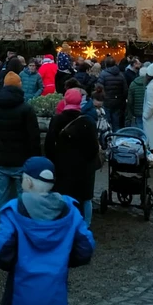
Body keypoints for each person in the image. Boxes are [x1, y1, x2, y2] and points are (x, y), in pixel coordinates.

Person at [0, 156, 95, 305]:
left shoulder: (13, 210)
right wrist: (65, 258)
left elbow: (0, 248)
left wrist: (10, 263)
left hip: (20, 295)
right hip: (56, 295)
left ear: (28, 182)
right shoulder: (70, 209)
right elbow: (86, 247)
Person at [44, 88, 100, 224]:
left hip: (63, 167)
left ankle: (63, 225)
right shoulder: (88, 122)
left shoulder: (57, 120)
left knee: (63, 197)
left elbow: (49, 145)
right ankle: (85, 227)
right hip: (84, 169)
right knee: (85, 199)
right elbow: (94, 148)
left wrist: (55, 161)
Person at [0, 72, 42, 209]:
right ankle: (21, 227)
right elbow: (34, 137)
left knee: (1, 197)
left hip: (2, 157)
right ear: (20, 86)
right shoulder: (26, 109)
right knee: (23, 198)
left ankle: (3, 227)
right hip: (21, 160)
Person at [97, 56, 127, 130]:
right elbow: (125, 89)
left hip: (106, 101)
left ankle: (107, 138)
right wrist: (122, 99)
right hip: (117, 102)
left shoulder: (103, 74)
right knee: (116, 122)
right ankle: (116, 138)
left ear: (106, 64)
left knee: (106, 122)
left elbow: (99, 88)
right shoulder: (121, 75)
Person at [126, 63, 148, 127]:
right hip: (148, 111)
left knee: (139, 127)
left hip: (137, 111)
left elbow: (130, 101)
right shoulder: (150, 84)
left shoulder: (133, 84)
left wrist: (131, 112)